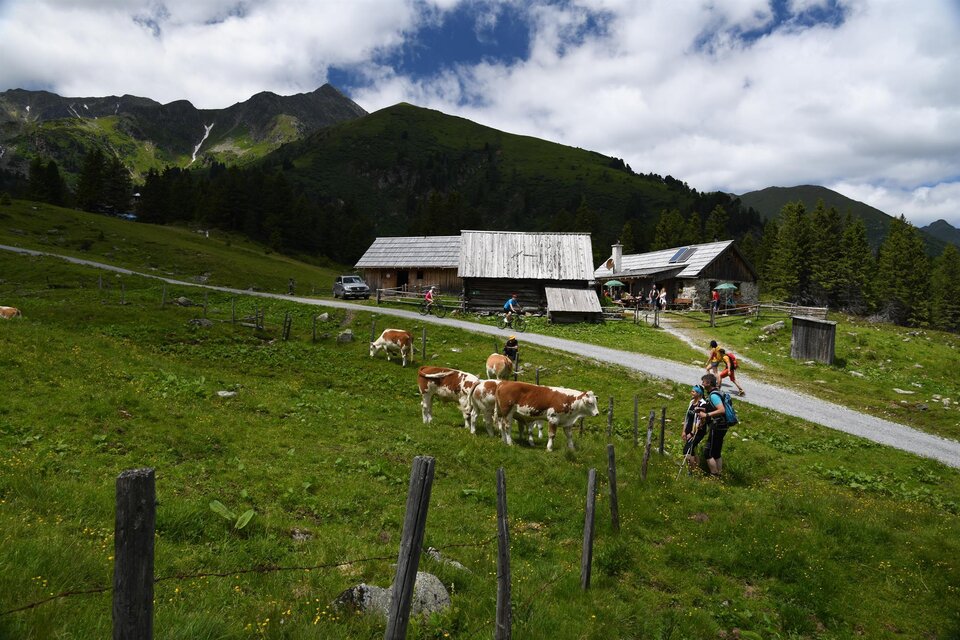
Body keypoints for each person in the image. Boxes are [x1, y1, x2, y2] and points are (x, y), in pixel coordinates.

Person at [695, 373, 729, 478]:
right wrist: (702, 409)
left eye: (704, 382)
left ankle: (714, 476)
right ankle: (719, 474)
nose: (702, 384)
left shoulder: (713, 395)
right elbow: (714, 408)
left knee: (708, 452)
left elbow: (721, 410)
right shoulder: (718, 392)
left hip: (717, 425)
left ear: (709, 383)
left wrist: (706, 415)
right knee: (716, 452)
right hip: (723, 425)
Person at [682, 385, 708, 474]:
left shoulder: (703, 404)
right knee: (692, 450)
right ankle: (696, 468)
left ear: (699, 393)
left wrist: (692, 433)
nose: (691, 393)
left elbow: (701, 421)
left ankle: (691, 471)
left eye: (693, 391)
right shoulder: (691, 402)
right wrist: (684, 431)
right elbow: (687, 417)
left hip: (698, 432)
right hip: (689, 429)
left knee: (686, 451)